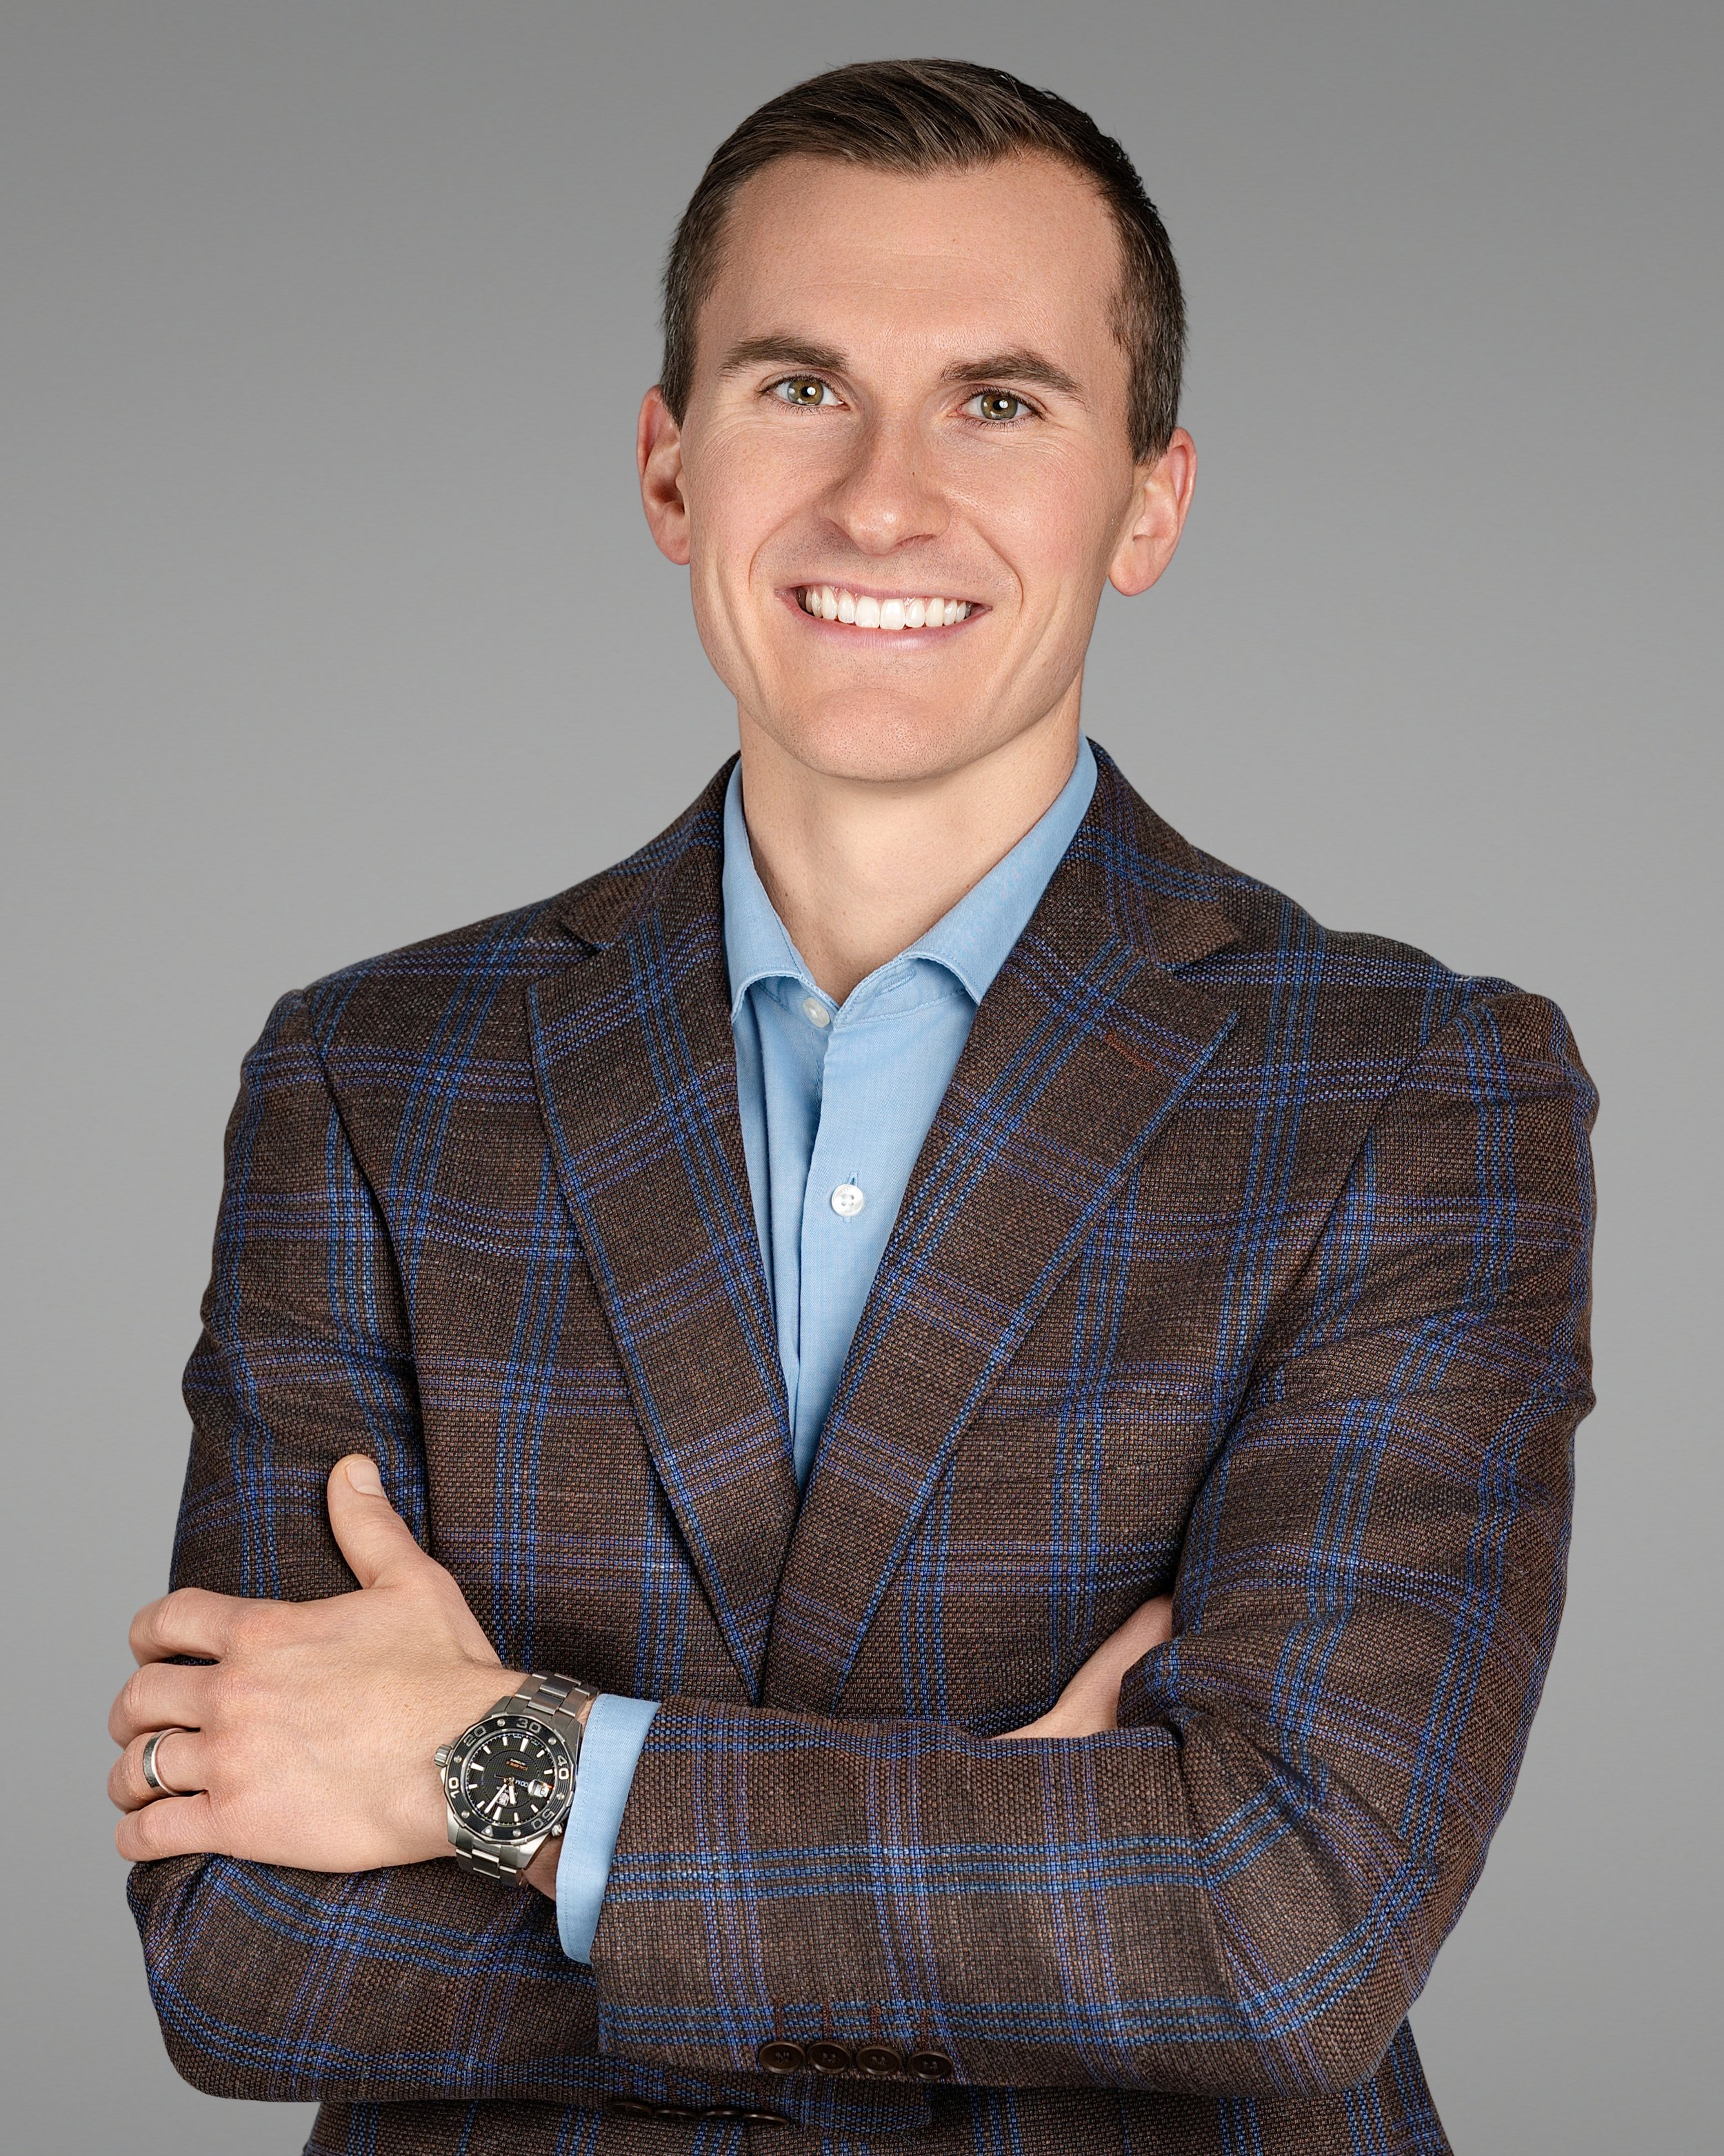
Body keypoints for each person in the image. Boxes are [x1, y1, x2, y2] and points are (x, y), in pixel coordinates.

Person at [109, 58, 1597, 2156]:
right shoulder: (376, 1080)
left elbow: (1280, 1927)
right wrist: (1033, 1886)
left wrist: (489, 1776)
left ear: (1148, 498)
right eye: (798, 387)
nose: (882, 498)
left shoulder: (1398, 1092)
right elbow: (239, 1943)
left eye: (998, 401)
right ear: (667, 470)